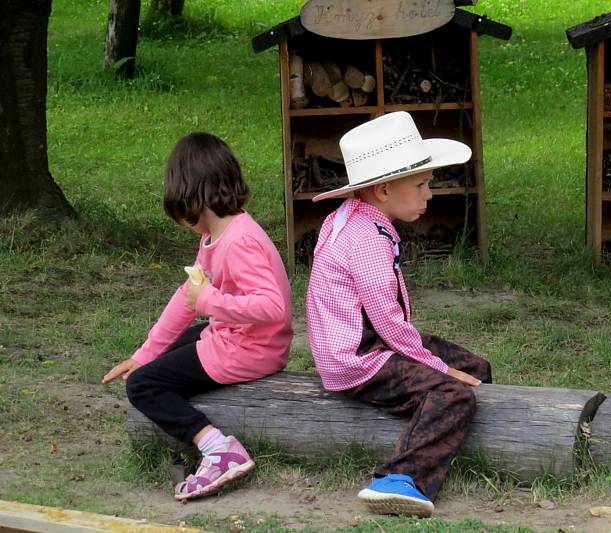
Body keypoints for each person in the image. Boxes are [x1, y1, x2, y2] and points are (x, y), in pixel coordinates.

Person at [306, 112, 492, 517]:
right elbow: (388, 321)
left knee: (477, 367)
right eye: (422, 184)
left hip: (369, 342)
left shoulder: (350, 218)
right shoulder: (368, 239)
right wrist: (439, 368)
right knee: (454, 390)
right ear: (385, 190)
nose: (430, 193)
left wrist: (442, 362)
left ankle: (446, 437)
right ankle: (399, 478)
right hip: (359, 358)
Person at [102, 132, 293, 501]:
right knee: (155, 362)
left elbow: (272, 307)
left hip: (251, 349)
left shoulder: (239, 241)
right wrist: (145, 353)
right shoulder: (215, 235)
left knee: (142, 385)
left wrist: (209, 301)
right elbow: (187, 297)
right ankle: (206, 437)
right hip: (237, 337)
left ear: (192, 196)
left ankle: (217, 449)